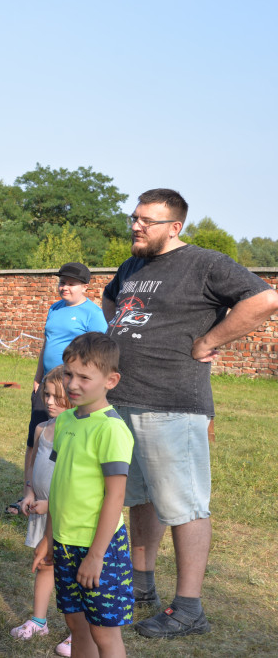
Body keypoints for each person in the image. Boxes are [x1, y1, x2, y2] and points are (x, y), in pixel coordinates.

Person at [101, 188, 278, 638]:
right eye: (135, 218)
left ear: (174, 227)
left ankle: (189, 609)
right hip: (123, 400)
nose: (136, 226)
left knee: (185, 506)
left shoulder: (206, 263)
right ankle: (142, 588)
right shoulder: (132, 266)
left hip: (172, 403)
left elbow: (264, 299)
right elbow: (110, 300)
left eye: (147, 221)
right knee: (140, 498)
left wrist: (210, 341)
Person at [32, 332, 134, 658]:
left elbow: (115, 498)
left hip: (99, 549)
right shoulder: (63, 422)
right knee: (77, 628)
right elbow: (60, 488)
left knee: (104, 634)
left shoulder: (112, 430)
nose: (73, 384)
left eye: (84, 377)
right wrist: (49, 538)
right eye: (68, 374)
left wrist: (96, 556)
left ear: (111, 380)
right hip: (64, 543)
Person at [15, 262, 108, 512]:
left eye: (70, 283)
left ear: (85, 287)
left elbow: (97, 353)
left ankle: (57, 496)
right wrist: (38, 377)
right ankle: (28, 491)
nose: (64, 287)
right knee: (35, 437)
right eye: (62, 282)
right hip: (47, 383)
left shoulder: (92, 313)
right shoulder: (55, 309)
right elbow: (47, 344)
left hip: (70, 386)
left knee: (64, 440)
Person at [11, 365, 73, 657]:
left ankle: (78, 632)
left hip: (65, 513)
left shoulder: (75, 434)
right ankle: (39, 620)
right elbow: (32, 463)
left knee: (71, 571)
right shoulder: (40, 429)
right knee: (44, 564)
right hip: (41, 511)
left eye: (57, 397)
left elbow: (74, 481)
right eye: (47, 395)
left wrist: (53, 503)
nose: (49, 402)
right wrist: (29, 492)